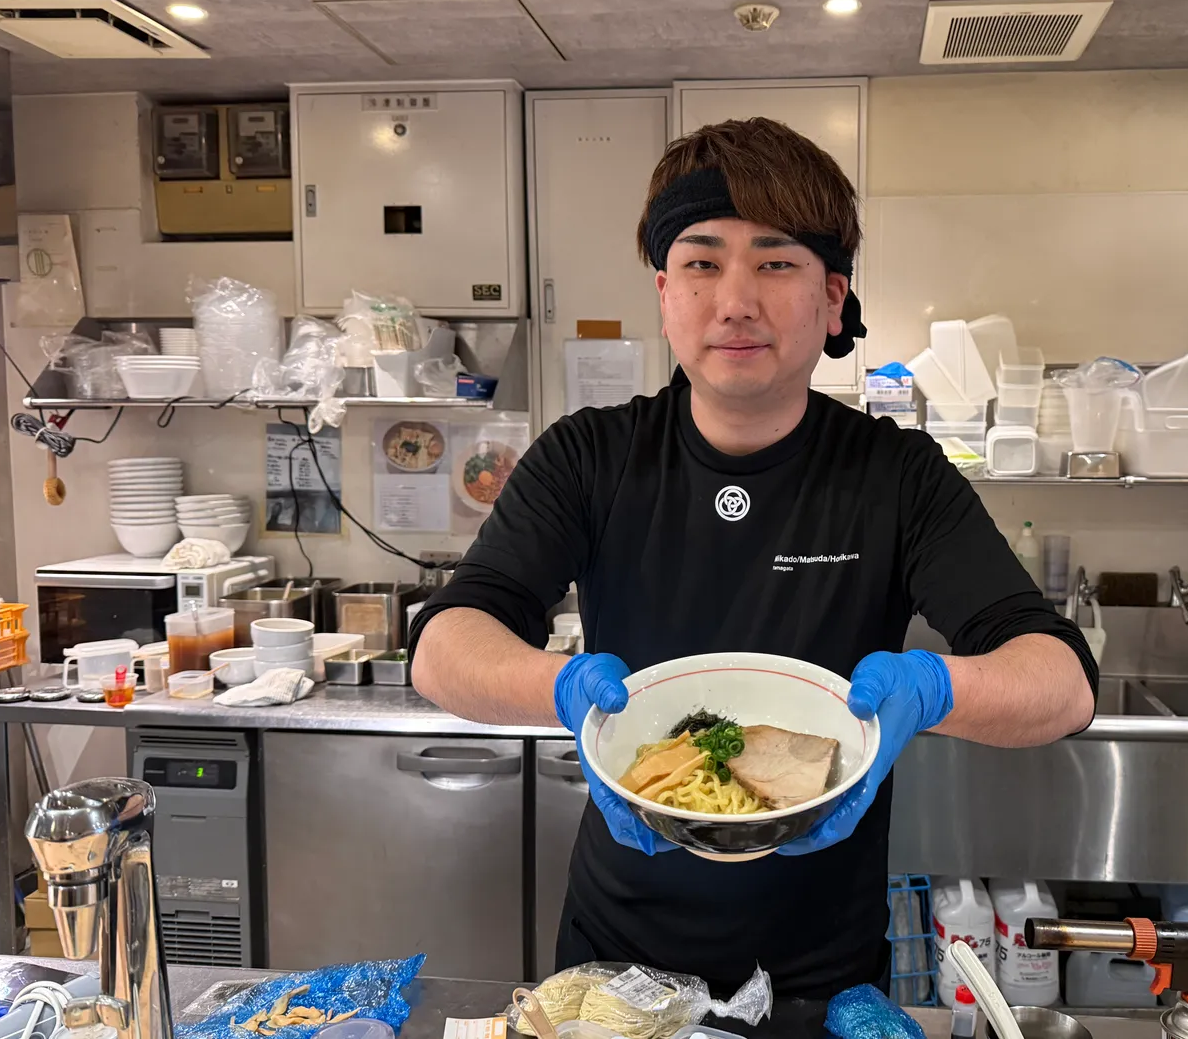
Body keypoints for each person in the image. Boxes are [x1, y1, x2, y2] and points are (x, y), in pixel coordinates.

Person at [409, 117, 1097, 998]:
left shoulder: (895, 473)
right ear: (665, 294)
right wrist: (560, 689)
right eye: (701, 262)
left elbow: (1063, 679)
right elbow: (445, 643)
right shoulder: (590, 455)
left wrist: (932, 690)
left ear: (833, 299)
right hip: (617, 963)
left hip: (822, 972)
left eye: (775, 262)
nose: (736, 300)